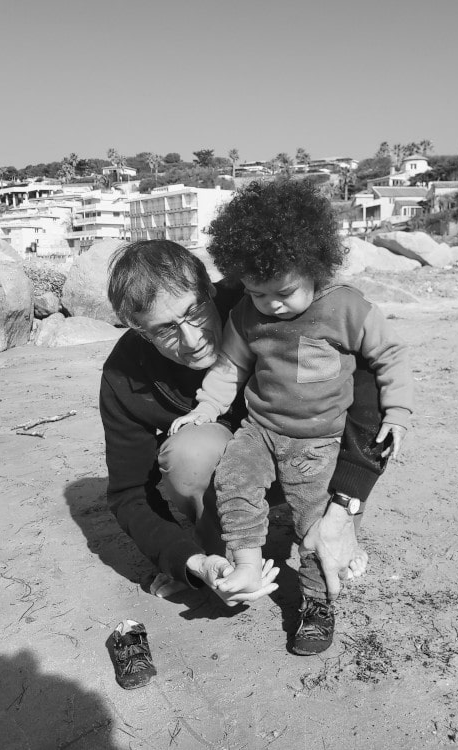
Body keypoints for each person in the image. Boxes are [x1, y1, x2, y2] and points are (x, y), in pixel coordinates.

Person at [170, 179, 413, 655]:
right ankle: (244, 562)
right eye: (258, 294)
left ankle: (318, 603)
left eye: (283, 292)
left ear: (314, 266)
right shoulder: (246, 314)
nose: (271, 305)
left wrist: (398, 412)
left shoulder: (346, 306)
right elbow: (230, 368)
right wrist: (205, 408)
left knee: (313, 525)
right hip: (259, 430)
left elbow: (390, 356)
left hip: (318, 442)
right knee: (234, 482)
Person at [100, 239, 389, 613]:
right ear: (139, 330)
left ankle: (335, 531)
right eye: (165, 330)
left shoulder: (264, 297)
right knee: (190, 452)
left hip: (308, 450)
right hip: (239, 465)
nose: (192, 340)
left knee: (328, 411)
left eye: (194, 312)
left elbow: (370, 392)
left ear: (210, 287)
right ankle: (220, 547)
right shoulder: (124, 374)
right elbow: (128, 494)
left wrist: (346, 507)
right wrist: (185, 559)